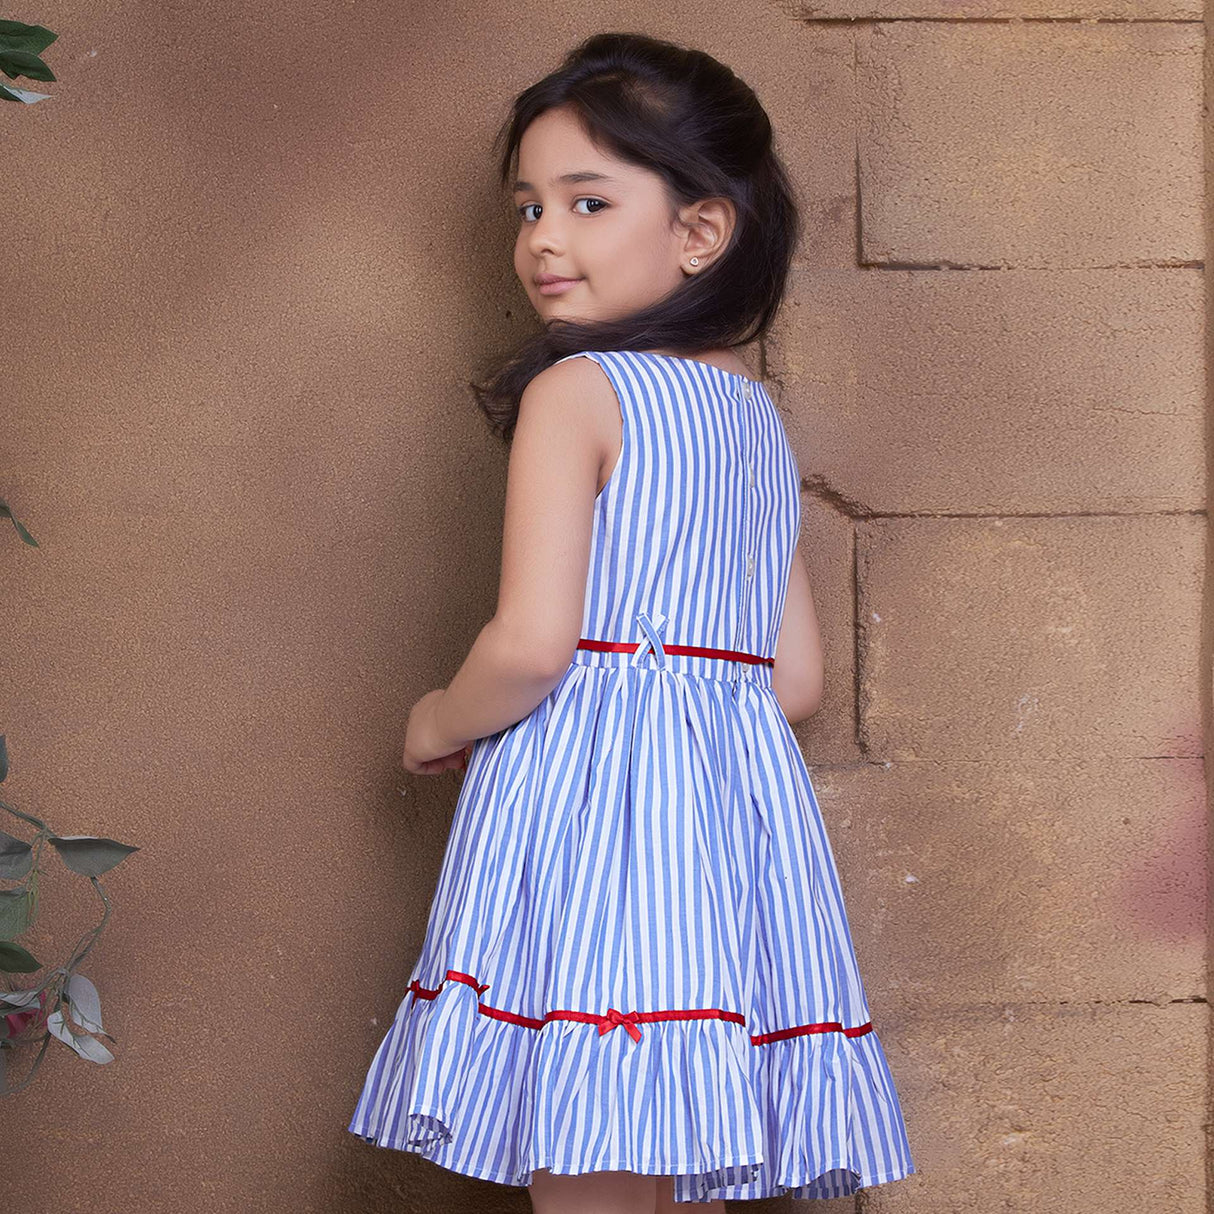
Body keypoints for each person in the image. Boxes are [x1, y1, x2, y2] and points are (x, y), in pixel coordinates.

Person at [347, 31, 916, 1213]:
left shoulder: (578, 394)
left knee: (593, 1144)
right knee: (675, 1128)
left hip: (593, 820)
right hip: (717, 833)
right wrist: (689, 733)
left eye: (587, 200)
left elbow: (529, 643)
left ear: (700, 231)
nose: (542, 238)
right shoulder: (753, 421)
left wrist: (433, 717)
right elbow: (793, 677)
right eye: (527, 207)